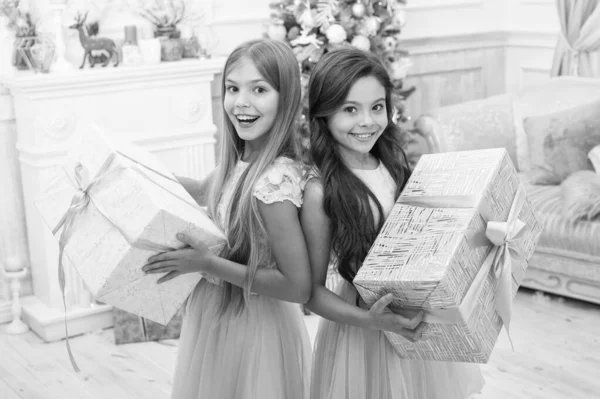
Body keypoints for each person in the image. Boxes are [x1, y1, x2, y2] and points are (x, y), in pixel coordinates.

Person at [301, 47, 485, 399]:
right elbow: (313, 294)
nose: (367, 121)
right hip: (362, 331)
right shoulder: (319, 190)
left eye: (377, 107)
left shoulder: (393, 165)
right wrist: (373, 320)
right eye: (350, 109)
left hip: (414, 318)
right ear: (323, 115)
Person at [143, 39, 312, 399]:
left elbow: (297, 286)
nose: (241, 102)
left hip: (254, 329)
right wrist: (140, 175)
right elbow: (209, 189)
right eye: (232, 88)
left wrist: (208, 264)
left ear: (286, 99)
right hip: (218, 316)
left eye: (260, 89)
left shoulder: (274, 182)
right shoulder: (241, 162)